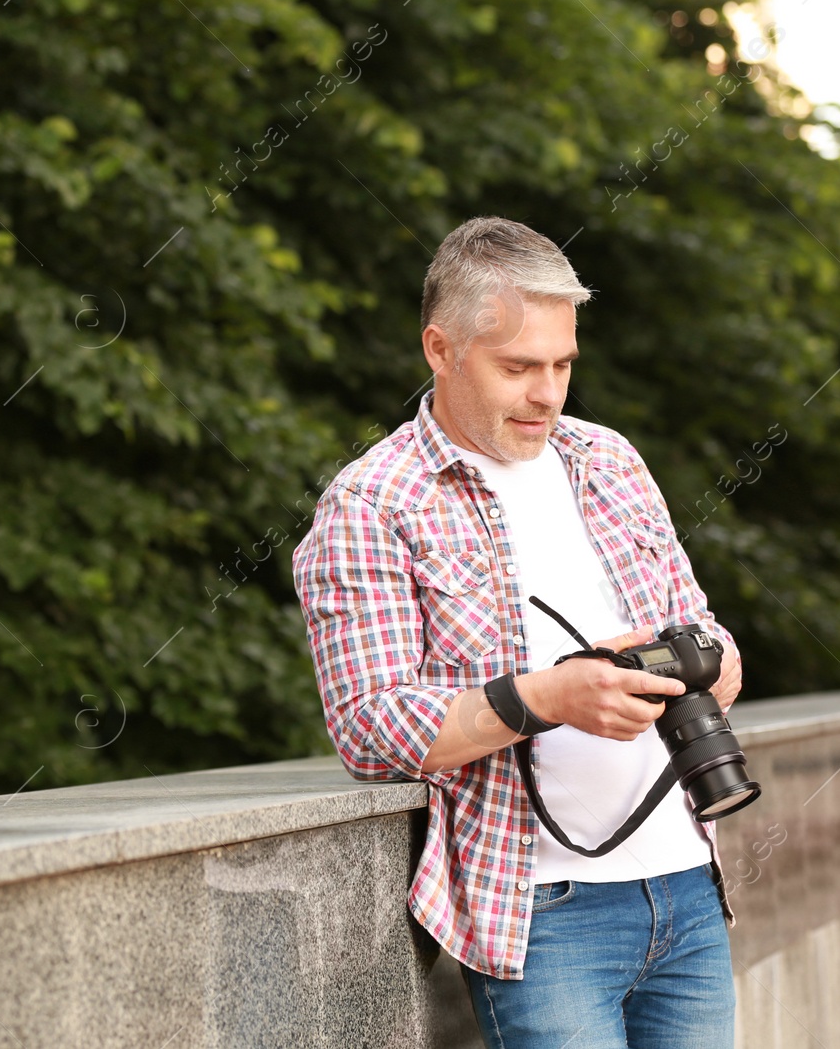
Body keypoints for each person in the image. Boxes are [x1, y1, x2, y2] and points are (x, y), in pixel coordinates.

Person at [291, 216, 744, 1049]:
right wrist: (549, 697)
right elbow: (368, 726)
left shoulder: (609, 459)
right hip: (542, 909)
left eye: (564, 364)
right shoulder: (372, 503)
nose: (548, 393)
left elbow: (702, 621)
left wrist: (711, 662)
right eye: (518, 367)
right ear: (439, 348)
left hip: (686, 877)